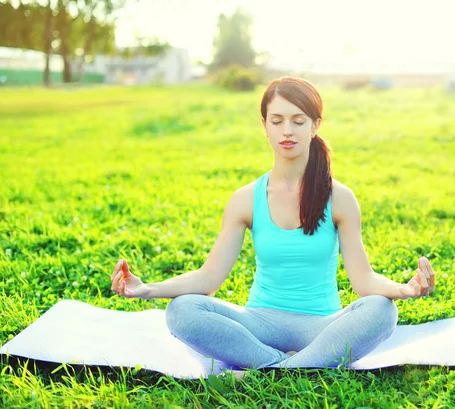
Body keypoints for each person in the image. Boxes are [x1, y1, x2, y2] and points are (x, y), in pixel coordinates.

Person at [110, 76, 435, 372]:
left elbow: (363, 281)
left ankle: (275, 368)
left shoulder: (340, 198)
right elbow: (208, 278)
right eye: (277, 121)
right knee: (182, 311)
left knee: (381, 311)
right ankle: (285, 366)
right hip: (258, 323)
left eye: (298, 121)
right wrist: (146, 289)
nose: (287, 131)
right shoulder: (245, 198)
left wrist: (404, 290)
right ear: (264, 125)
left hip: (321, 327)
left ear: (315, 125)